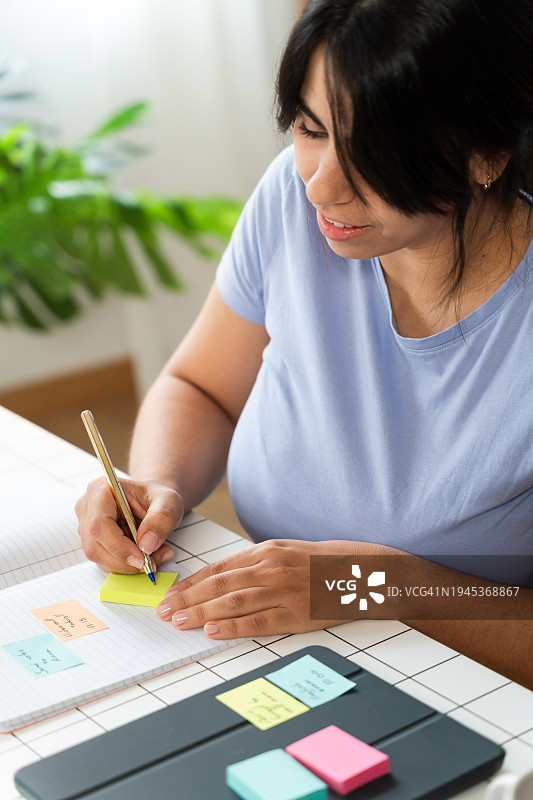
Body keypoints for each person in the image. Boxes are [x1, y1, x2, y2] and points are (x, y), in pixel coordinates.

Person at [75, 0, 533, 690]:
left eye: (373, 153)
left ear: (487, 154)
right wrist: (155, 485)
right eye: (309, 129)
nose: (319, 184)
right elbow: (201, 385)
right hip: (284, 649)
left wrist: (373, 586)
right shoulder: (292, 203)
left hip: (468, 686)